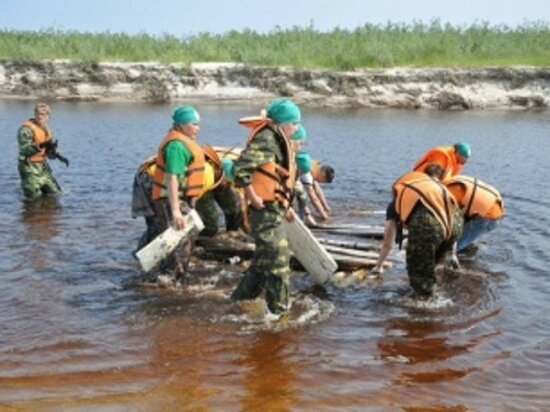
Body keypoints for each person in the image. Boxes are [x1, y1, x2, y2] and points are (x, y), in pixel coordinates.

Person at [230, 98, 301, 315]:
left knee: (262, 263)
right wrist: (252, 196)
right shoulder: (268, 138)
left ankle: (239, 301)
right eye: (294, 123)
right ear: (283, 123)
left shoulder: (276, 138)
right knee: (279, 262)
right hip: (264, 210)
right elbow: (241, 169)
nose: (296, 128)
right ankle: (279, 313)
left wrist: (286, 206)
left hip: (274, 209)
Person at [379, 164, 463, 298]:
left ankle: (424, 300)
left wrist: (378, 266)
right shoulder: (438, 190)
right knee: (430, 263)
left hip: (429, 224)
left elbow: (388, 243)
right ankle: (432, 292)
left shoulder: (400, 197)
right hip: (456, 226)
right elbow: (452, 217)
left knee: (417, 265)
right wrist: (453, 253)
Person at [145, 105, 206, 278]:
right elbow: (171, 178)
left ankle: (167, 275)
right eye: (193, 124)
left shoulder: (184, 142)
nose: (197, 128)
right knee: (181, 242)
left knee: (184, 237)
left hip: (178, 199)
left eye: (198, 124)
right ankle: (170, 279)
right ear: (181, 125)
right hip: (169, 200)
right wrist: (176, 211)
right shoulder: (176, 146)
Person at [445, 175, 504, 266]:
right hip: (491, 208)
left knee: (450, 248)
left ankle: (452, 263)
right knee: (459, 238)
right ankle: (468, 252)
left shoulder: (448, 196)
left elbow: (453, 225)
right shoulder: (449, 185)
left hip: (488, 218)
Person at [17, 103, 69, 200]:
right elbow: (24, 150)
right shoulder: (26, 129)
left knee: (55, 193)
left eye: (43, 114)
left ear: (48, 116)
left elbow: (48, 153)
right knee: (32, 198)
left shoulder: (45, 128)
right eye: (38, 113)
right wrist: (42, 145)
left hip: (42, 167)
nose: (40, 116)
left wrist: (57, 155)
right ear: (35, 114)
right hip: (29, 167)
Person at [194, 145, 245, 237]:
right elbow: (194, 199)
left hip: (219, 180)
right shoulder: (205, 174)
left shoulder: (238, 169)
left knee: (234, 206)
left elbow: (241, 195)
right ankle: (204, 237)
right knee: (211, 222)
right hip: (204, 186)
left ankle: (233, 231)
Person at [294, 148, 335, 226]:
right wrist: (324, 217)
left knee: (300, 189)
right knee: (301, 193)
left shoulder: (315, 168)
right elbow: (313, 198)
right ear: (323, 175)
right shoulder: (308, 174)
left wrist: (326, 207)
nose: (320, 182)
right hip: (285, 172)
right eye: (322, 181)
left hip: (293, 172)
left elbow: (318, 190)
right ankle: (307, 217)